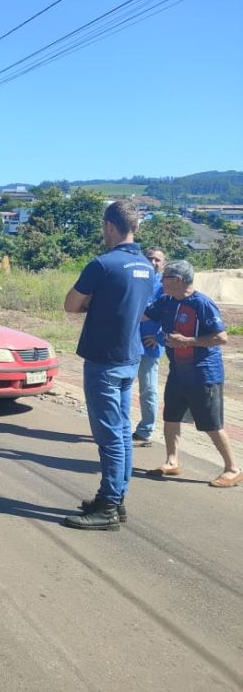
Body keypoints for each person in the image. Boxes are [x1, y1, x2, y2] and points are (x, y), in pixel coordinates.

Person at [62, 200, 153, 531]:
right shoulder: (147, 266)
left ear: (110, 226)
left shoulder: (102, 265)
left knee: (109, 436)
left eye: (104, 227)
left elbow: (71, 305)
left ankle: (109, 506)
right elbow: (140, 309)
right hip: (130, 357)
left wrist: (92, 303)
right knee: (122, 434)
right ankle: (116, 499)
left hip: (104, 360)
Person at [143, 260, 240, 487]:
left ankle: (232, 468)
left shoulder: (202, 304)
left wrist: (188, 341)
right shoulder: (166, 301)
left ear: (177, 280)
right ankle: (172, 461)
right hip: (178, 371)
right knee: (171, 417)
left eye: (164, 277)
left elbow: (221, 338)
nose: (161, 281)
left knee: (211, 423)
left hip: (203, 374)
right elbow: (143, 315)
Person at [134, 247, 166, 443]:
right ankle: (119, 427)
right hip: (129, 344)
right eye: (150, 258)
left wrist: (160, 337)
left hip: (149, 347)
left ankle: (145, 430)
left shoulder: (165, 286)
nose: (153, 262)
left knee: (148, 389)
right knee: (123, 386)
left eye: (157, 260)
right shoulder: (136, 279)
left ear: (163, 264)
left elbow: (172, 315)